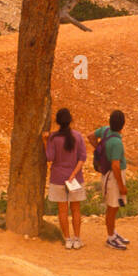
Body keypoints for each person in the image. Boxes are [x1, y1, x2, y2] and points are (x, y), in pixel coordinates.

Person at [43, 107, 87, 250]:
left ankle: (67, 239)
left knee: (62, 210)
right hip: (75, 179)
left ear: (57, 121)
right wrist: (73, 174)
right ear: (70, 120)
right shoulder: (78, 136)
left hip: (58, 178)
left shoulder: (53, 138)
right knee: (76, 209)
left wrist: (45, 141)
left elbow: (49, 158)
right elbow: (82, 158)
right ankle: (77, 239)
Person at [90, 109, 129, 250]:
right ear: (122, 125)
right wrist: (122, 187)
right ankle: (110, 238)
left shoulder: (105, 130)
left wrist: (101, 151)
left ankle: (112, 232)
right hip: (113, 178)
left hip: (109, 175)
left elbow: (90, 136)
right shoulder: (117, 143)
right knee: (112, 208)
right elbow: (115, 166)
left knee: (114, 206)